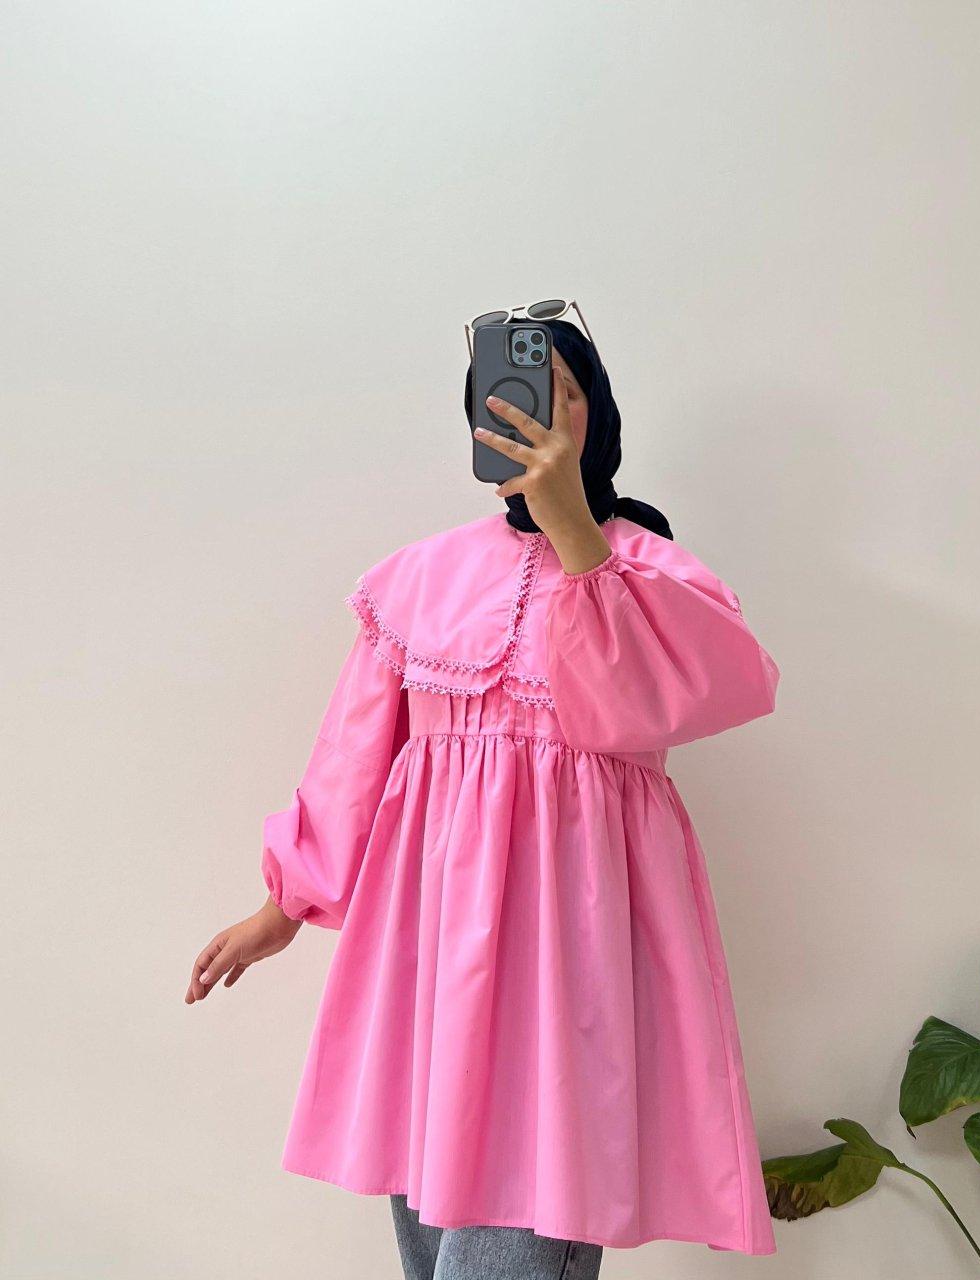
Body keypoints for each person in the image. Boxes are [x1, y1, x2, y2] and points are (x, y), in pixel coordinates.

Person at [185, 316, 781, 1275]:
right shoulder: (420, 579)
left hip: (571, 954)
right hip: (430, 956)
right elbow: (352, 756)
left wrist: (577, 532)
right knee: (433, 1247)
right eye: (513, 396)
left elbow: (651, 705)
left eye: (564, 393)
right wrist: (282, 906)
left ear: (597, 414)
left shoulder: (652, 572)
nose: (540, 413)